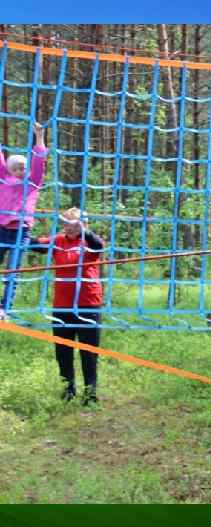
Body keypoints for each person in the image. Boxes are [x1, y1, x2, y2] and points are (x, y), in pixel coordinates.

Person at [29, 207, 105, 405]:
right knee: (63, 350)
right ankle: (68, 390)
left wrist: (83, 230)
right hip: (62, 306)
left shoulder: (90, 241)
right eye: (66, 223)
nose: (69, 228)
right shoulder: (58, 241)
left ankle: (90, 394)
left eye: (74, 224)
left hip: (88, 304)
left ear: (83, 224)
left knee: (88, 351)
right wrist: (20, 230)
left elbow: (99, 246)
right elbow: (35, 245)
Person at [0, 122, 48, 319]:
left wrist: (39, 137)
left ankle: (5, 308)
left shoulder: (33, 182)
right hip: (1, 230)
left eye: (24, 168)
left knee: (13, 271)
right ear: (9, 170)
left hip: (21, 232)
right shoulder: (4, 179)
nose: (21, 171)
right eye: (16, 168)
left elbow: (39, 161)